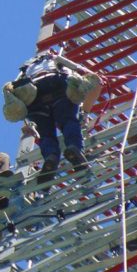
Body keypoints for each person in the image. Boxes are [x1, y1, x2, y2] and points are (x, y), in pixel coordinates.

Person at [18, 54, 90, 185]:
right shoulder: (54, 58)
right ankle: (74, 148)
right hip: (56, 86)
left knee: (45, 135)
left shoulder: (25, 70)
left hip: (32, 95)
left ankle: (51, 158)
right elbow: (81, 72)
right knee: (68, 121)